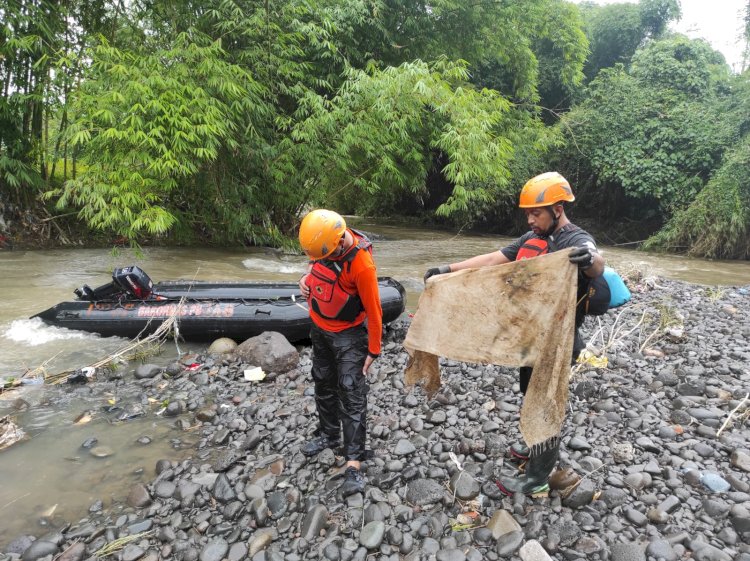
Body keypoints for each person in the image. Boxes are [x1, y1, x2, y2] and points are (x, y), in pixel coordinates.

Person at [423, 171, 604, 496]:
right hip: (531, 337)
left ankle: (536, 478)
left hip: (558, 343)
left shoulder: (575, 239)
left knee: (545, 403)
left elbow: (596, 263)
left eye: (537, 212)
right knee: (529, 393)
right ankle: (535, 445)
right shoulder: (530, 239)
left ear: (558, 209)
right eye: (528, 213)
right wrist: (447, 270)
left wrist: (590, 260)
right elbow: (495, 259)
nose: (531, 219)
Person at [297, 209, 383, 497]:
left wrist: (373, 349)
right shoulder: (323, 245)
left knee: (351, 391)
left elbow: (374, 309)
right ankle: (328, 434)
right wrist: (304, 282)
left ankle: (354, 463)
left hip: (349, 335)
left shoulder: (361, 265)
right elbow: (313, 271)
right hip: (320, 327)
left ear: (340, 245)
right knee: (322, 379)